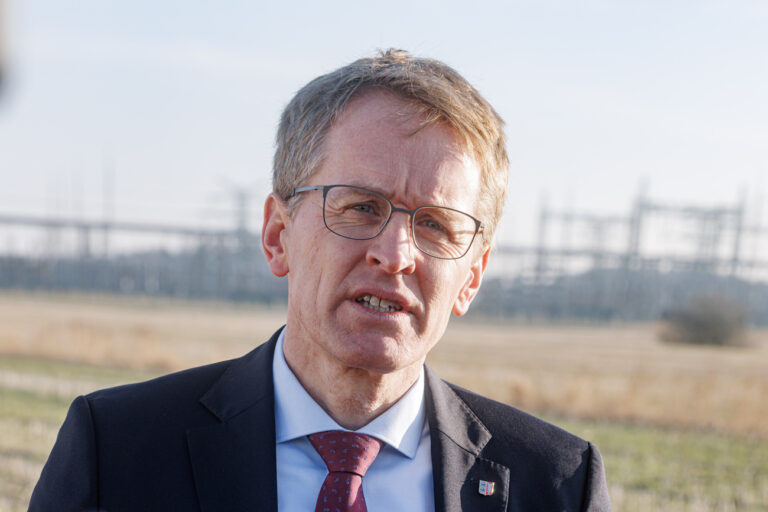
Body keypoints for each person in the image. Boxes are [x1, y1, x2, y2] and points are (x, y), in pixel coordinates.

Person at [30, 49, 612, 511]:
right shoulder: (117, 450)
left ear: (472, 277)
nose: (395, 255)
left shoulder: (558, 485)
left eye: (436, 225)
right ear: (277, 234)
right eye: (361, 207)